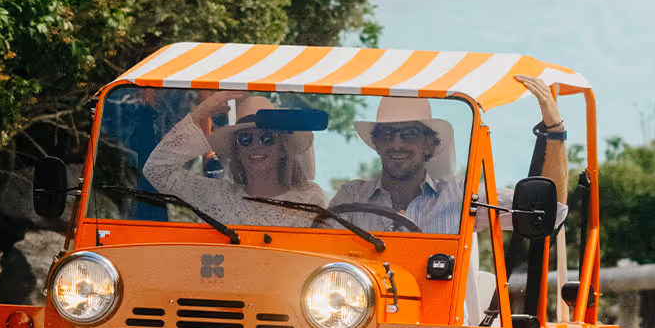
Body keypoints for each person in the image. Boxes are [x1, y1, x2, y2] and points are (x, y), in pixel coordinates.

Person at [329, 76, 568, 235]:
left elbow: (550, 211)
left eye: (409, 134)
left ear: (429, 146)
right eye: (388, 133)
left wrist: (555, 131)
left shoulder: (462, 197)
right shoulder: (351, 196)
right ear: (377, 144)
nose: (397, 143)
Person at [142, 90, 325, 228]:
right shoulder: (218, 196)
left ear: (283, 148)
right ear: (237, 150)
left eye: (266, 137)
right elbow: (157, 170)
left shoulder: (310, 200)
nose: (256, 145)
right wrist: (200, 113)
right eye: (245, 138)